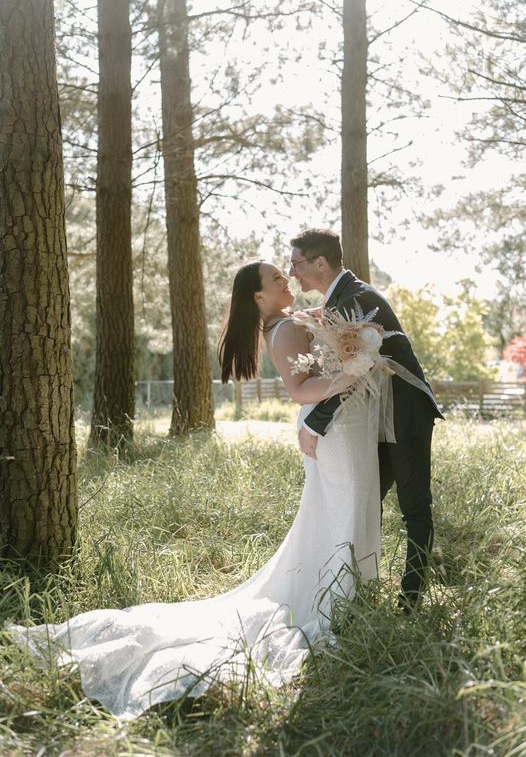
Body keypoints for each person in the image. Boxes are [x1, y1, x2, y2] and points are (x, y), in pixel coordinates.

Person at [6, 260, 381, 721]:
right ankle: (336, 598)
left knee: (338, 512)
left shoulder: (293, 321)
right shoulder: (282, 331)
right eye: (275, 280)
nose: (286, 279)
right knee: (338, 511)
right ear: (258, 298)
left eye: (285, 276)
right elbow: (301, 390)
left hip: (338, 427)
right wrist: (353, 372)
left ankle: (347, 590)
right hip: (328, 429)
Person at [289, 228, 444, 611]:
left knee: (415, 509)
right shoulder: (340, 298)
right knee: (363, 503)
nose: (293, 273)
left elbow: (353, 371)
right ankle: (355, 591)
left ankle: (410, 601)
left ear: (320, 262)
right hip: (372, 418)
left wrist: (314, 424)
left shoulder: (355, 299)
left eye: (296, 264)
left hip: (404, 415)